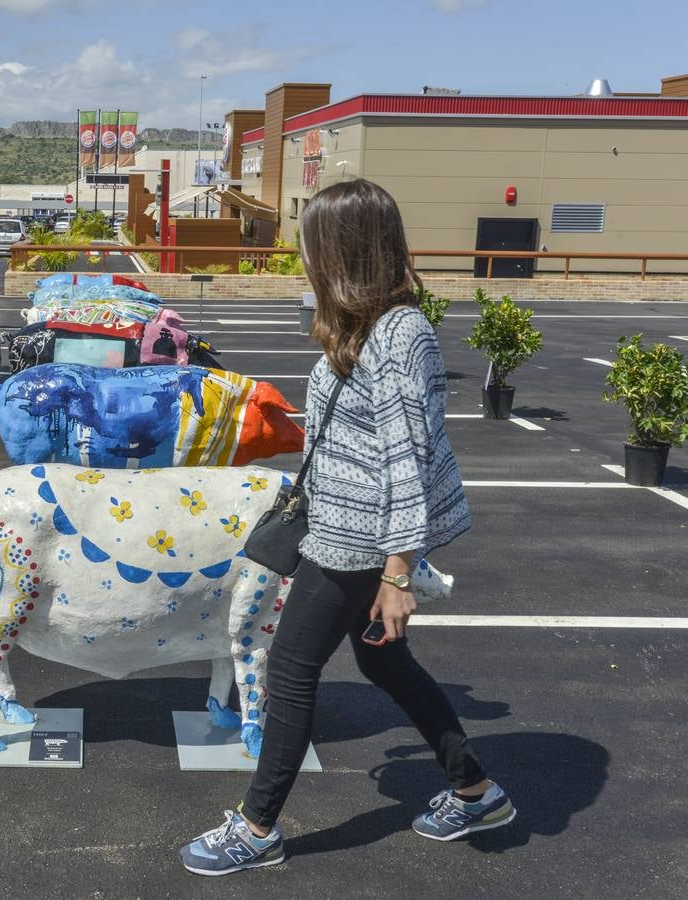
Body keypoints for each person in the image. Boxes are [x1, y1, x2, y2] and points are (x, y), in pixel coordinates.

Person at [179, 179, 514, 876]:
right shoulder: (364, 325)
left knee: (290, 670)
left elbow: (406, 460)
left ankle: (258, 827)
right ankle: (474, 787)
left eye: (312, 245)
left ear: (344, 251)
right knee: (382, 660)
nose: (303, 258)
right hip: (339, 525)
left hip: (360, 541)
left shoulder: (400, 335)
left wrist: (396, 574)